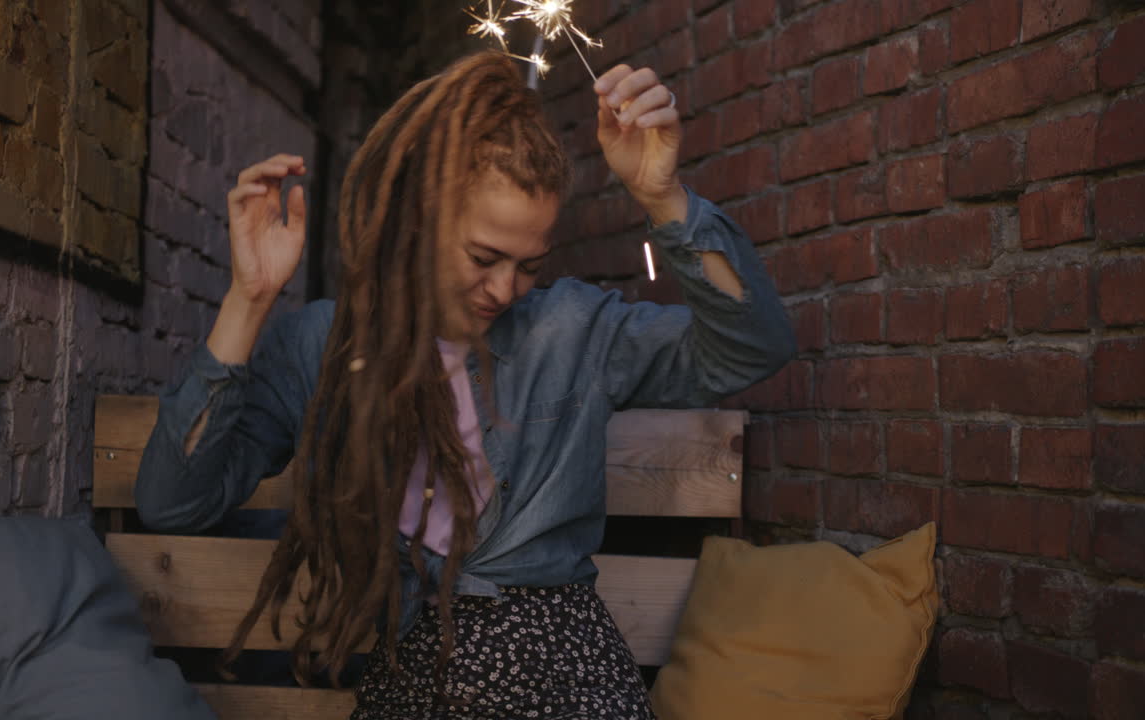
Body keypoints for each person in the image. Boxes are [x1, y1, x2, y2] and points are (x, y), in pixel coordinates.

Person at [135, 51, 795, 719]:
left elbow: (752, 346)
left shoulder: (570, 328)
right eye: (483, 258)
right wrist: (249, 299)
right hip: (421, 674)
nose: (506, 289)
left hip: (564, 673)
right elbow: (174, 503)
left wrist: (663, 196)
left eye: (529, 266)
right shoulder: (321, 347)